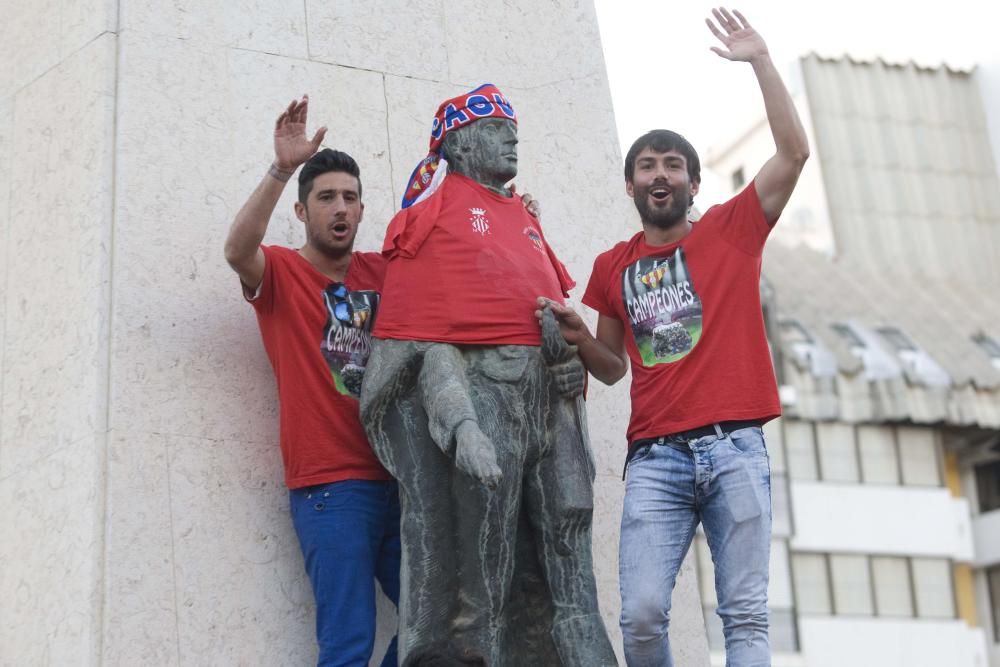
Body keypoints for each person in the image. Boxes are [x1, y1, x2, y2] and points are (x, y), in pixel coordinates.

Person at [540, 9, 809, 666]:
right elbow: (611, 369)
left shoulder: (732, 229)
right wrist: (577, 333)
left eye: (672, 164)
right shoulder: (612, 266)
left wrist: (760, 61)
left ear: (691, 181)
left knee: (745, 615)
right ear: (629, 184)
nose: (659, 174)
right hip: (656, 459)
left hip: (736, 447)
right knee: (640, 615)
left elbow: (794, 152)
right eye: (646, 165)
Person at [360, 84, 617, 666]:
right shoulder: (430, 219)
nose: (512, 138)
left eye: (513, 129)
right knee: (480, 568)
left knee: (566, 549)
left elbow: (562, 317)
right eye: (498, 129)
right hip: (483, 399)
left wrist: (567, 357)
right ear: (460, 140)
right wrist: (462, 426)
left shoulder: (523, 218)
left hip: (548, 407)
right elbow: (425, 343)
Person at [223, 95, 400, 667]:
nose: (340, 208)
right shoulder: (282, 273)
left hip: (400, 481)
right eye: (326, 198)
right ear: (302, 212)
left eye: (349, 198)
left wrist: (510, 213)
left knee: (441, 620)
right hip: (330, 487)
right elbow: (236, 250)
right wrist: (282, 168)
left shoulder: (384, 273)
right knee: (347, 644)